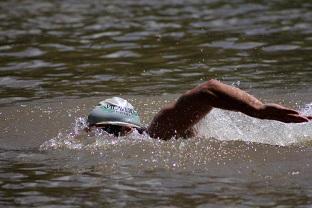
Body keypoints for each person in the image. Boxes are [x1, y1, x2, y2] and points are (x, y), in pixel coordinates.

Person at [87, 79, 312, 140]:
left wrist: (258, 108)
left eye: (110, 132)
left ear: (128, 128)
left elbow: (208, 89)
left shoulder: (159, 131)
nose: (105, 138)